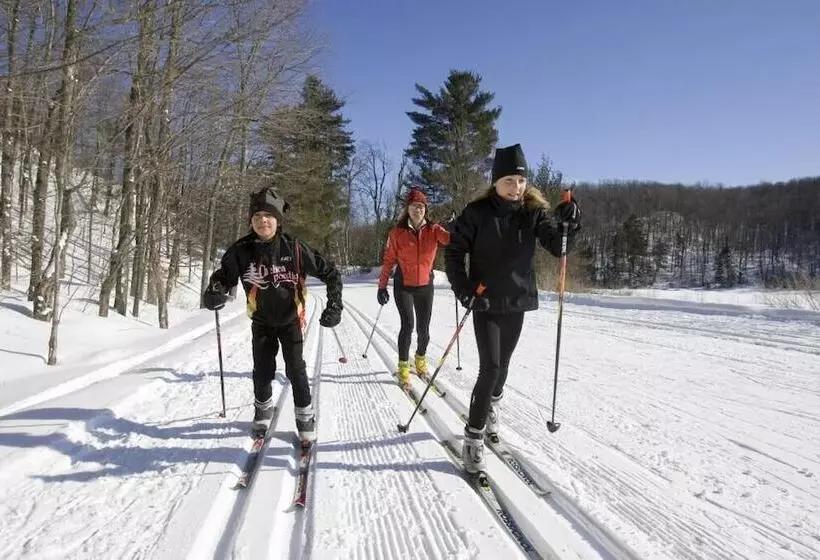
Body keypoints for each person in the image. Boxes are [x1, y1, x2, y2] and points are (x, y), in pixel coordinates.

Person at [444, 144, 581, 473]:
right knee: (489, 368)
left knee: (502, 368)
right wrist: (464, 292)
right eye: (508, 181)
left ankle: (491, 406)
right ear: (495, 182)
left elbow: (557, 247)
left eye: (520, 181)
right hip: (485, 300)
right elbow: (452, 255)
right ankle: (473, 439)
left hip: (517, 300)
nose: (516, 187)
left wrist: (569, 225)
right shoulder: (476, 214)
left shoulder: (532, 212)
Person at [202, 187, 343, 442]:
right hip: (262, 321)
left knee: (296, 370)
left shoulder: (295, 248)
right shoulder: (241, 250)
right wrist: (214, 292)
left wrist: (334, 305)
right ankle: (263, 410)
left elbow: (331, 273)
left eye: (268, 216)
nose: (262, 221)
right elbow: (223, 277)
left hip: (291, 320)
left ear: (277, 220)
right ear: (251, 221)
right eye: (257, 217)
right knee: (263, 370)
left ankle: (304, 416)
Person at [377, 187, 450, 388]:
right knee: (408, 325)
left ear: (425, 209)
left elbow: (451, 240)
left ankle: (420, 361)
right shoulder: (397, 233)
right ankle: (403, 368)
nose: (417, 210)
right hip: (404, 286)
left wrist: (455, 227)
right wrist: (382, 287)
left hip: (425, 286)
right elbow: (388, 260)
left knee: (424, 329)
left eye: (421, 206)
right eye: (413, 206)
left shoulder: (434, 230)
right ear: (407, 209)